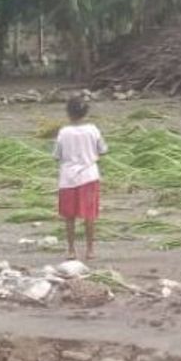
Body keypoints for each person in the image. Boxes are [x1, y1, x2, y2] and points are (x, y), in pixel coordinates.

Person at [53, 96, 108, 261]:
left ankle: (71, 250)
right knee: (89, 215)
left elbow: (57, 155)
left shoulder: (64, 132)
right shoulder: (93, 130)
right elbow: (103, 149)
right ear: (85, 113)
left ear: (68, 113)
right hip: (89, 176)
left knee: (69, 216)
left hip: (68, 178)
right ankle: (90, 250)